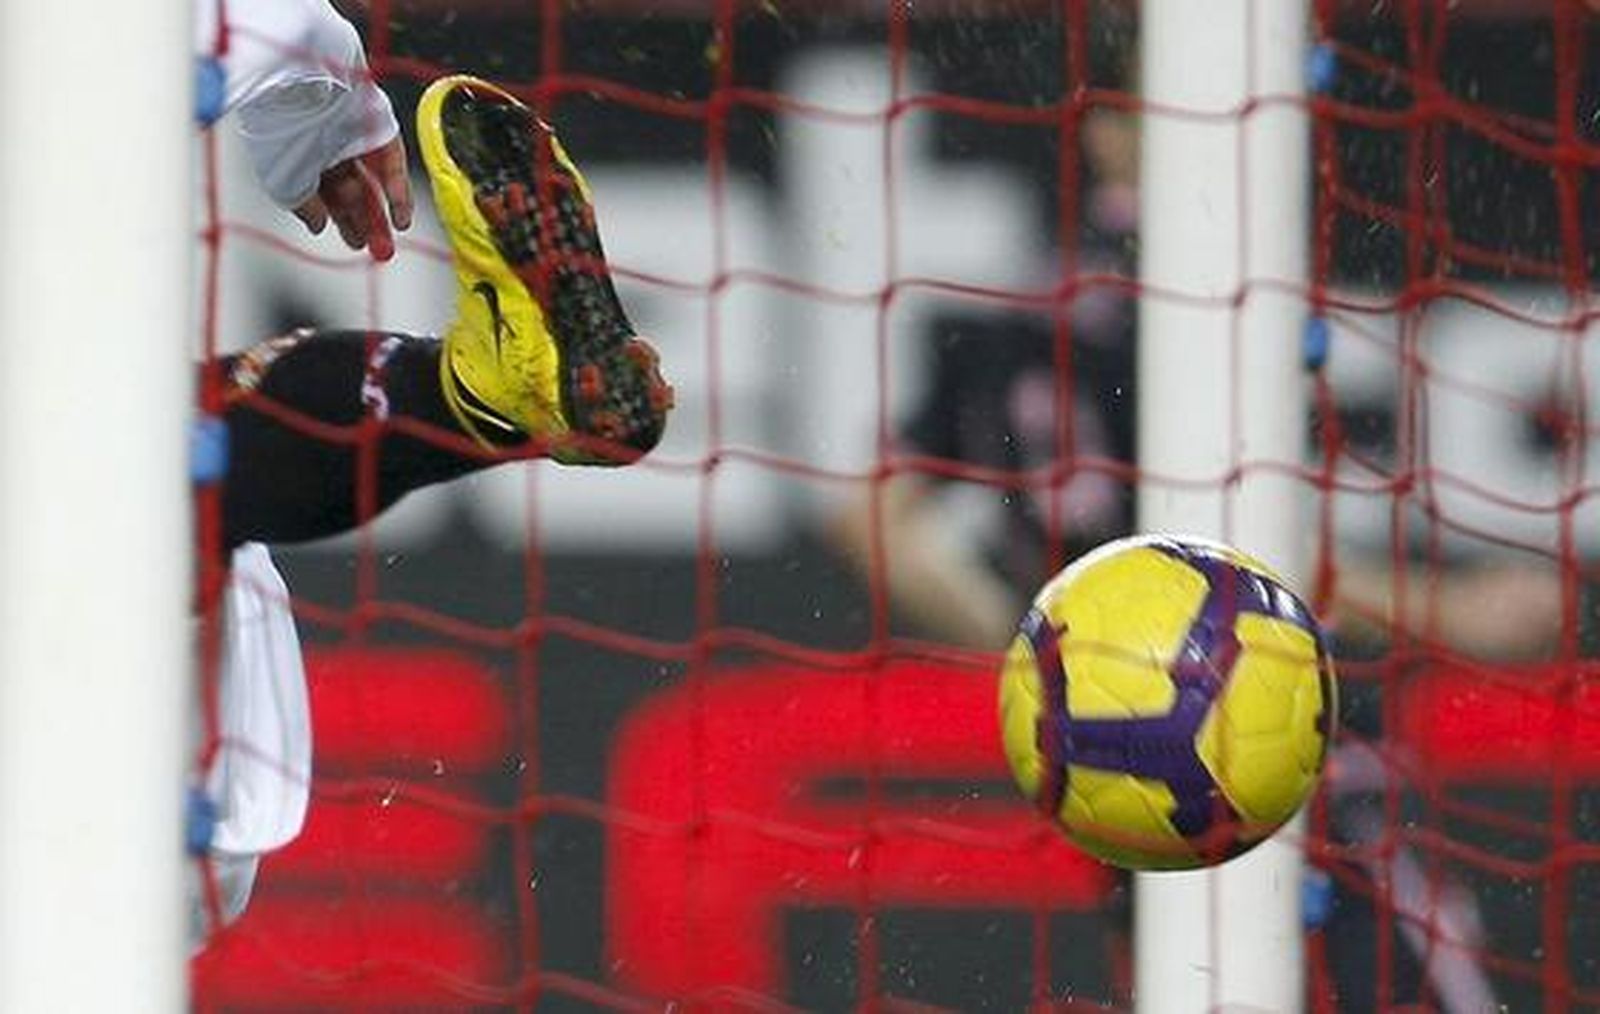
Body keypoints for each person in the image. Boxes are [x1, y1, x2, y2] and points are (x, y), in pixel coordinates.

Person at [822, 51, 1560, 1012]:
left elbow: (866, 515)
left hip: (1125, 768)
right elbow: (1214, 561)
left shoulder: (1013, 317)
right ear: (1115, 130)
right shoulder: (1191, 307)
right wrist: (1450, 609)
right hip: (1283, 750)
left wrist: (1043, 649)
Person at [191, 0, 672, 939]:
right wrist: (310, 75)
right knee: (98, 462)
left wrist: (301, 72)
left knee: (82, 471)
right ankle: (458, 396)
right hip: (178, 757)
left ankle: (461, 397)